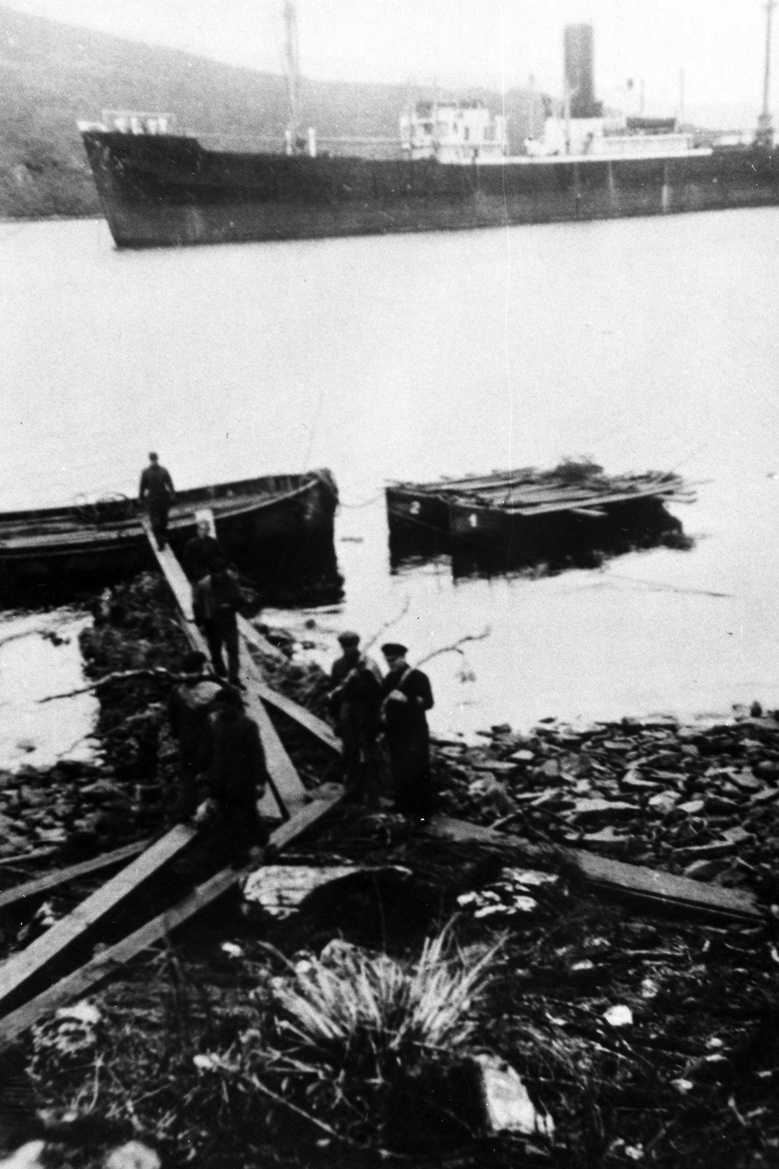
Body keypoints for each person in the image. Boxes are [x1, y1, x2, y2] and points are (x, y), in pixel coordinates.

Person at [203, 686, 270, 853]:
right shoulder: (214, 723)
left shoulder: (247, 725)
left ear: (235, 705)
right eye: (219, 707)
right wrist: (206, 775)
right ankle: (238, 851)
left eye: (225, 707)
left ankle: (258, 843)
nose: (222, 710)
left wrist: (260, 781)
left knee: (247, 814)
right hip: (221, 779)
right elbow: (208, 752)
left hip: (242, 780)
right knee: (228, 816)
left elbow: (257, 754)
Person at [328, 631, 384, 808]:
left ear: (357, 645)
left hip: (365, 711)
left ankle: (373, 794)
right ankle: (354, 790)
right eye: (345, 647)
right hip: (347, 709)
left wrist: (376, 721)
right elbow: (334, 694)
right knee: (349, 751)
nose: (348, 650)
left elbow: (379, 693)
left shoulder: (368, 664)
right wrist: (337, 720)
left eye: (350, 646)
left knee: (369, 753)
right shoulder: (338, 665)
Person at [380, 642, 435, 821]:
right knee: (398, 768)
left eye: (393, 660)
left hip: (415, 731)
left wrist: (407, 699)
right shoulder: (389, 678)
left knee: (419, 769)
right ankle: (403, 805)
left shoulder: (418, 677)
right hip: (395, 731)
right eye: (387, 661)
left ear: (403, 658)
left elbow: (428, 702)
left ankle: (423, 812)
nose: (390, 664)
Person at [167, 650, 223, 819]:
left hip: (187, 739)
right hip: (210, 740)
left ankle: (187, 811)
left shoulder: (178, 691)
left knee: (188, 775)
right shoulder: (214, 689)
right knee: (213, 773)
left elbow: (173, 719)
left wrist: (178, 735)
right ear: (202, 667)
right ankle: (213, 810)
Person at [192, 559, 244, 687]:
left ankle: (233, 678)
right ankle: (220, 675)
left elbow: (240, 599)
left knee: (233, 650)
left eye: (222, 572)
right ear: (212, 573)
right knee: (215, 650)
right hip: (211, 622)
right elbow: (196, 605)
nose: (221, 576)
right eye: (218, 573)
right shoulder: (203, 585)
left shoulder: (231, 581)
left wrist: (229, 606)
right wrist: (200, 623)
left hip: (228, 620)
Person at [139, 452, 175, 551]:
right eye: (152, 460)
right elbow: (142, 486)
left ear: (157, 459)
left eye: (155, 459)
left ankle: (163, 537)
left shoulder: (163, 471)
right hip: (152, 501)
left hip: (163, 499)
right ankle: (161, 543)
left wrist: (172, 494)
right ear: (150, 460)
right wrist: (141, 497)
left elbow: (170, 483)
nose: (154, 461)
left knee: (164, 521)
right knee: (155, 524)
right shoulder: (146, 472)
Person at [183, 517, 223, 583]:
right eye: (201, 529)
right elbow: (187, 561)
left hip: (212, 574)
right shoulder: (191, 543)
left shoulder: (213, 542)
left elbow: (218, 557)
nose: (203, 532)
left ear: (208, 530)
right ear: (197, 530)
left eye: (205, 529)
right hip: (198, 576)